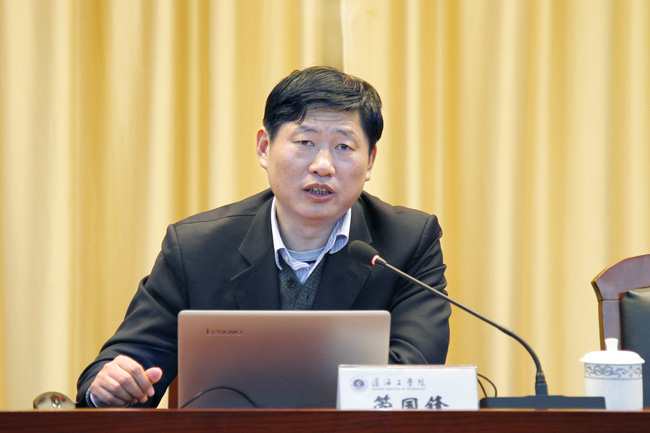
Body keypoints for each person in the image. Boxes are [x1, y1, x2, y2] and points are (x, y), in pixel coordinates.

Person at [76, 66, 451, 408]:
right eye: (304, 143)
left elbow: (412, 372)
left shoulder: (407, 244)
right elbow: (131, 359)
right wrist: (109, 385)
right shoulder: (197, 248)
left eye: (344, 147)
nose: (322, 166)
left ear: (369, 161)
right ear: (264, 148)